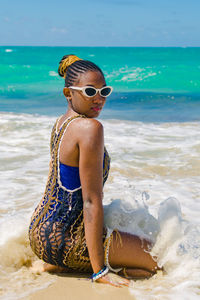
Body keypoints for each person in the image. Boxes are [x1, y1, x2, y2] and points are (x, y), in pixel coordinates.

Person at [29, 54, 160, 287]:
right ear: (68, 93)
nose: (99, 99)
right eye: (90, 92)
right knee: (160, 261)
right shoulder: (90, 128)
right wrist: (100, 271)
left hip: (40, 236)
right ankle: (91, 265)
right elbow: (90, 202)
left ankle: (61, 264)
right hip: (67, 241)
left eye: (104, 91)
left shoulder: (61, 123)